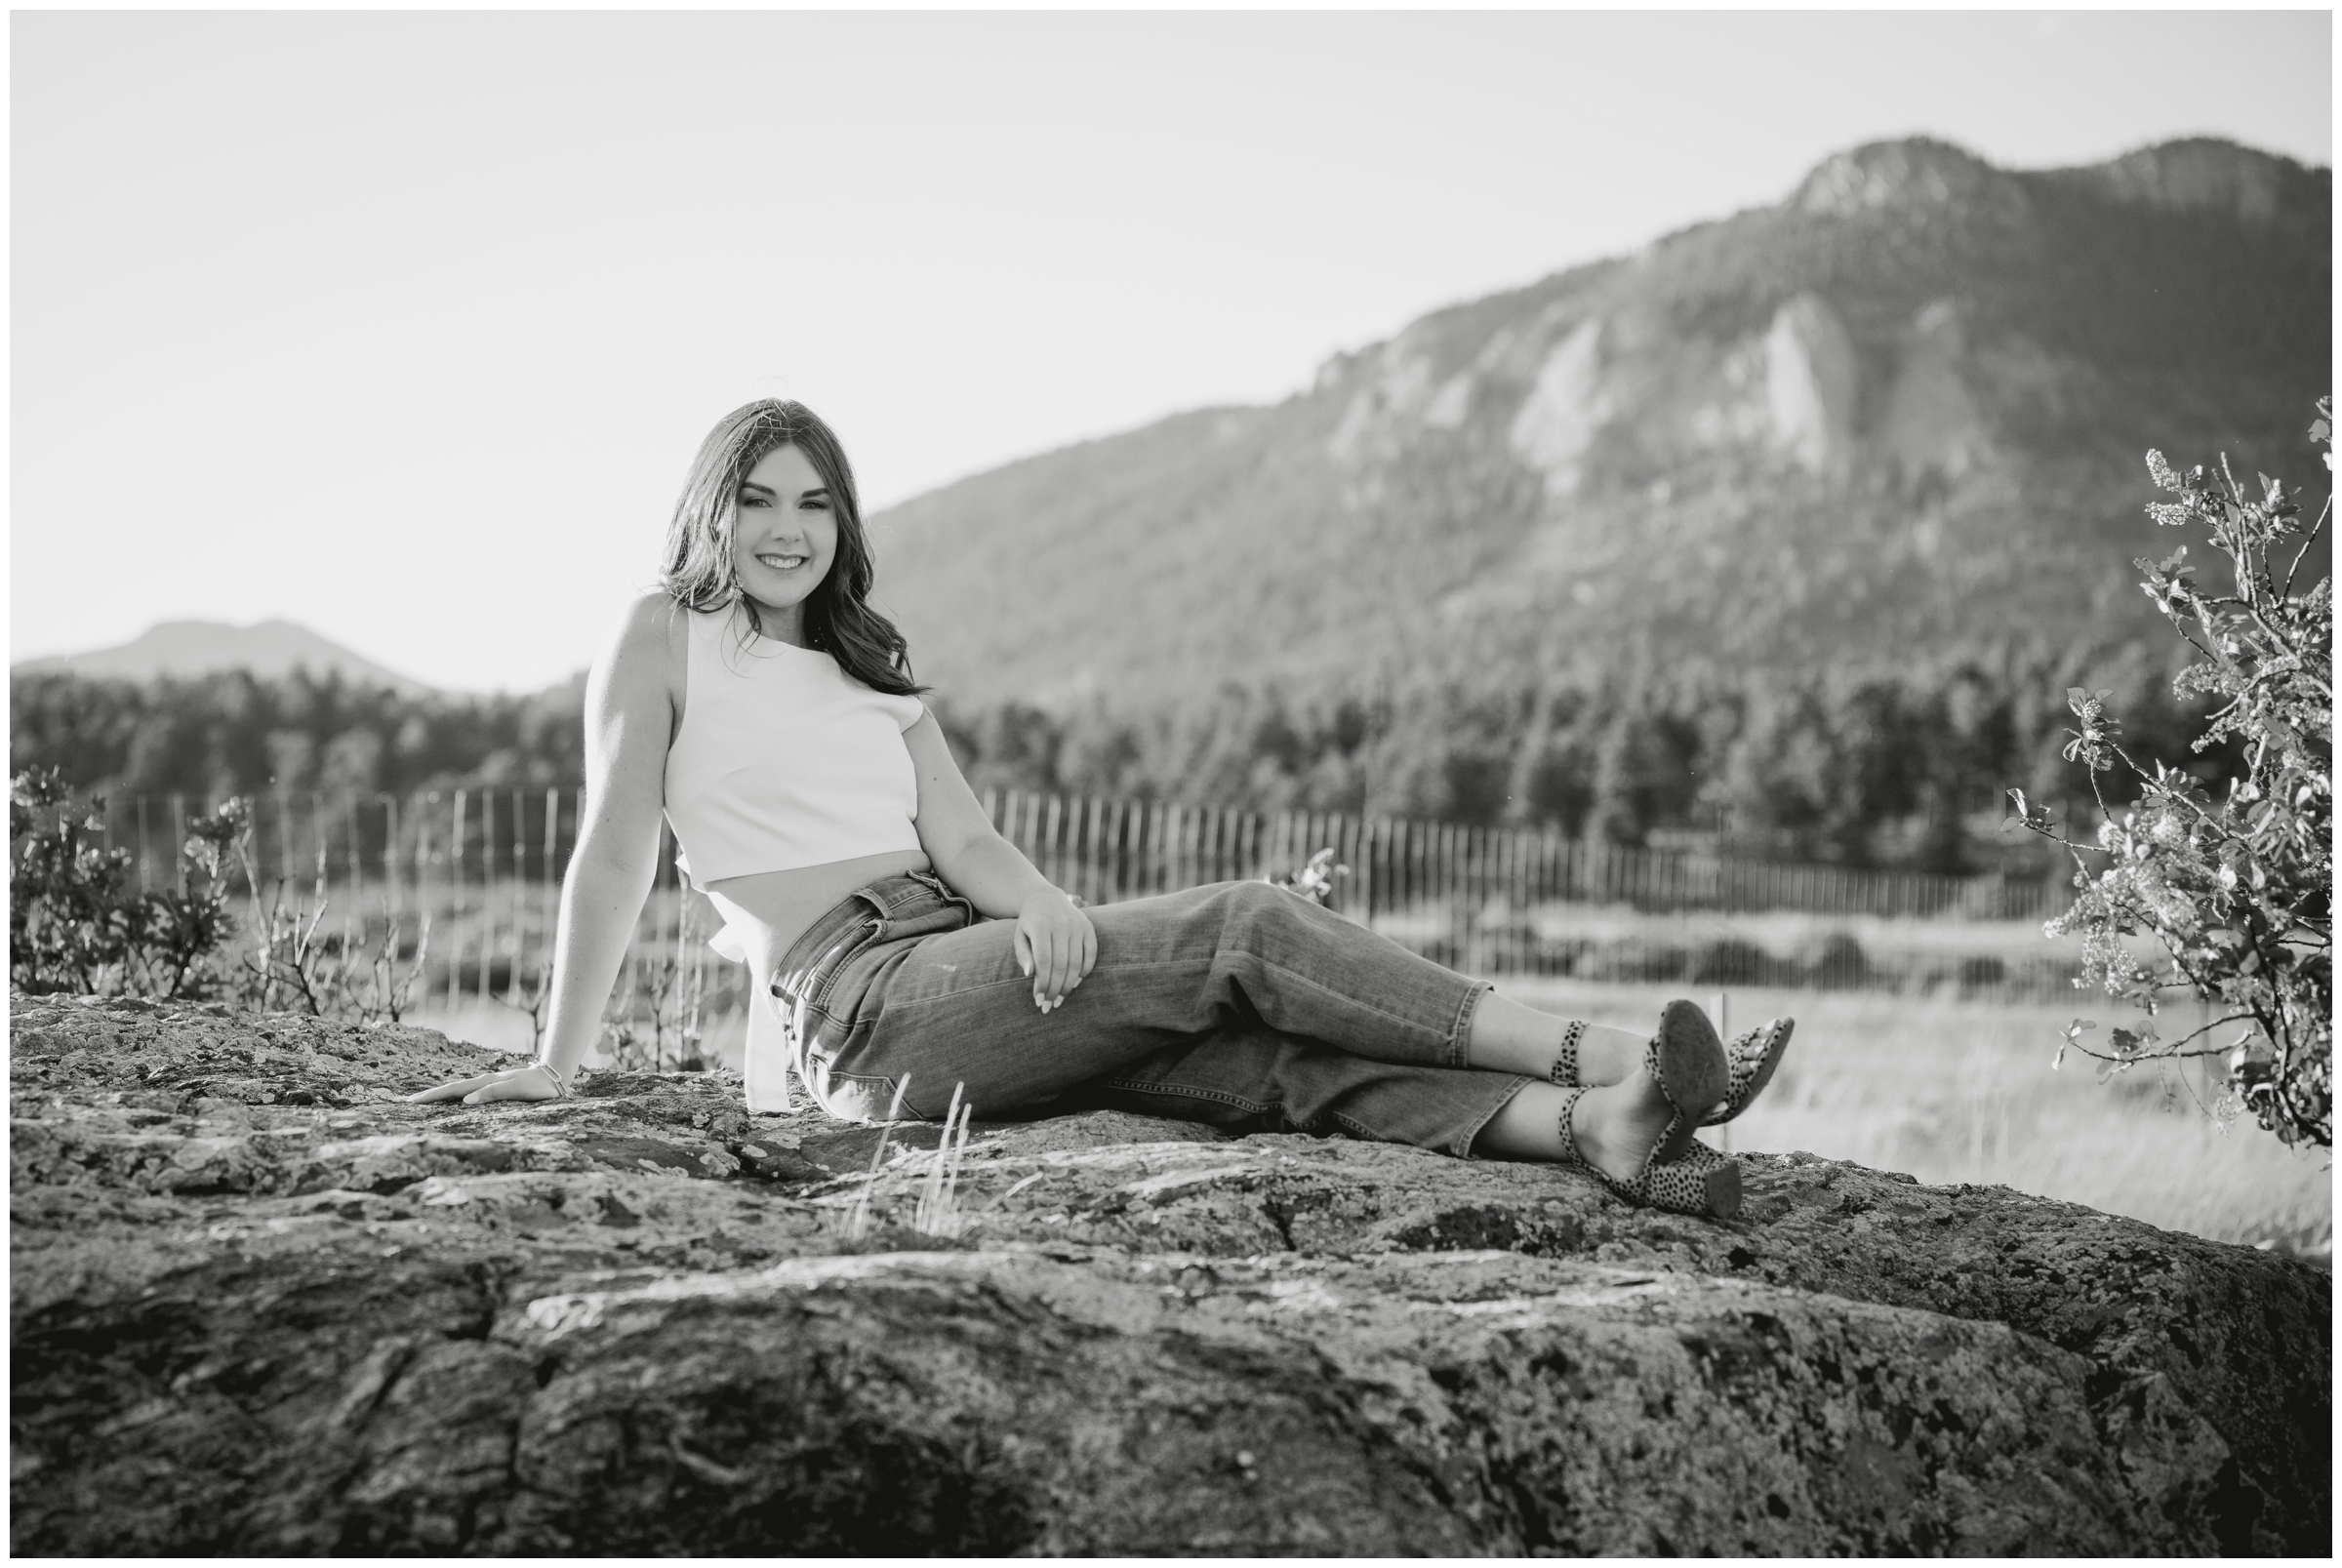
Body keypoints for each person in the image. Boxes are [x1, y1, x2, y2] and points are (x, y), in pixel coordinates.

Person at [411, 400, 1791, 1216]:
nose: (788, 525)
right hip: (858, 1000)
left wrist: (1052, 908)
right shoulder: (664, 633)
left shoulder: (866, 670)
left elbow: (966, 843)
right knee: (1245, 926)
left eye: (816, 503)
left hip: (963, 960)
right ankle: (1610, 1053)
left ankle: (1595, 1135)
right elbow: (609, 856)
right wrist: (556, 1062)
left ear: (843, 522)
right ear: (710, 510)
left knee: (1261, 1062)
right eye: (759, 499)